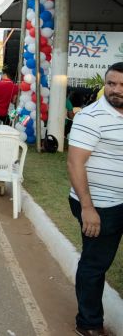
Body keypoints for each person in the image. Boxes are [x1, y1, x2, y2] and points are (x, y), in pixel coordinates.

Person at [66, 62, 123, 336]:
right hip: (99, 204)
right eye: (111, 83)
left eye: (122, 85)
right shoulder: (91, 116)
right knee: (95, 264)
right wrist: (88, 208)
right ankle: (88, 323)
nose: (116, 90)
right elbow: (75, 163)